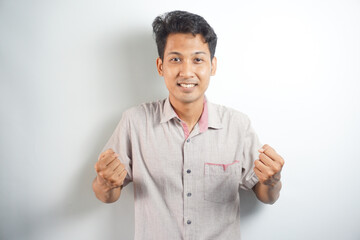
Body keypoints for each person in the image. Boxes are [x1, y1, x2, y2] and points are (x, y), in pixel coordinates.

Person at [92, 10, 284, 239]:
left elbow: (266, 196)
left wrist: (273, 181)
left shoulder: (238, 125)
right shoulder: (135, 122)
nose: (186, 71)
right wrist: (104, 182)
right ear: (161, 66)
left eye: (197, 59)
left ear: (212, 66)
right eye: (175, 59)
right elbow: (106, 195)